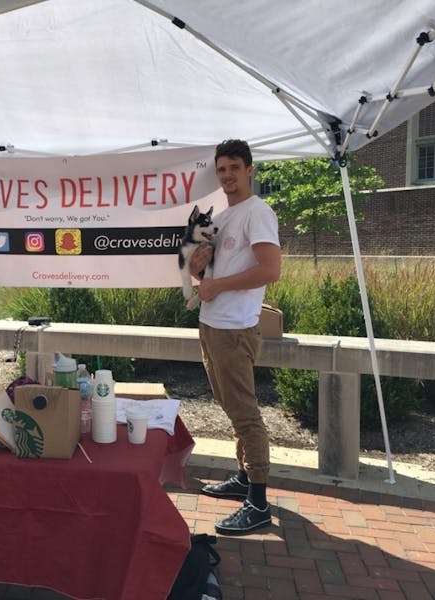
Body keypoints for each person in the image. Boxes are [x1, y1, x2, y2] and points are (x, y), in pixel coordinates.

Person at [188, 139, 281, 535]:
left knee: (245, 414)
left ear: (249, 170)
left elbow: (270, 270)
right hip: (213, 323)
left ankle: (258, 502)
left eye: (233, 168)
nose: (227, 176)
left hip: (235, 329)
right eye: (221, 169)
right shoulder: (226, 216)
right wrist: (199, 267)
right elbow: (204, 276)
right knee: (231, 407)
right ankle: (244, 478)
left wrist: (218, 285)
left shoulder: (258, 213)